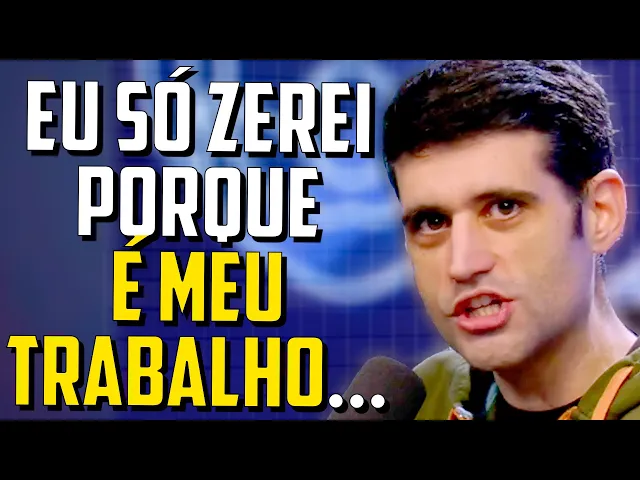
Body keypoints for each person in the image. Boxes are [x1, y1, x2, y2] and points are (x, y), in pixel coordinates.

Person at [382, 60, 640, 420]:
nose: (462, 265)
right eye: (433, 221)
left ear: (600, 212)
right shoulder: (421, 402)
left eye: (504, 208)